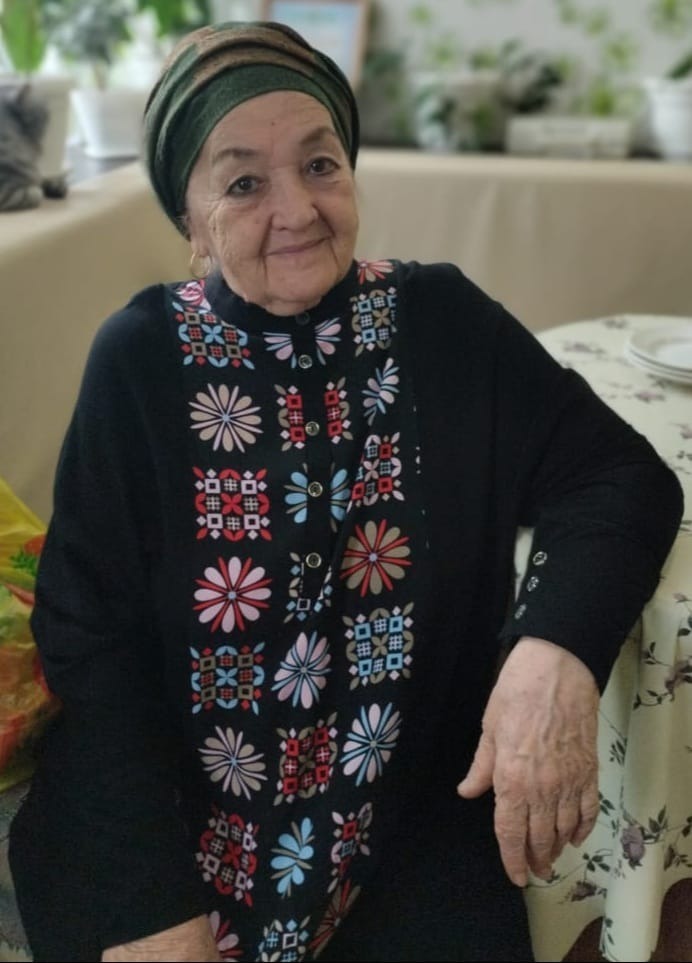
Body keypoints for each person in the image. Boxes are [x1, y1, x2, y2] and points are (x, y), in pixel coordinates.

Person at [8, 19, 683, 963]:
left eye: (320, 164)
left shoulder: (438, 321)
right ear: (189, 222)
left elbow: (618, 474)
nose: (297, 209)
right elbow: (89, 640)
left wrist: (552, 651)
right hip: (171, 822)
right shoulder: (142, 359)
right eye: (244, 182)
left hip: (400, 830)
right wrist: (147, 903)